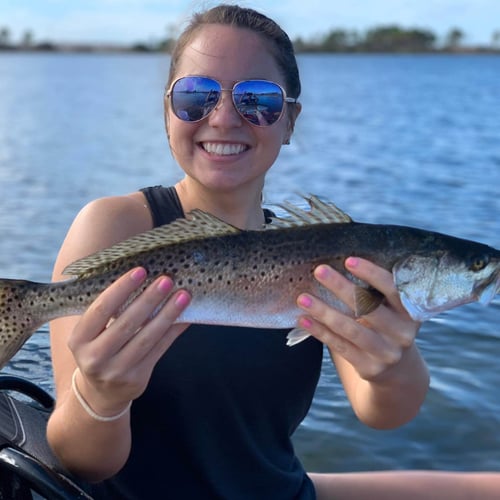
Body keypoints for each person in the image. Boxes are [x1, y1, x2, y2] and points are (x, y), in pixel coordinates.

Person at [45, 4, 497, 499]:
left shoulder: (326, 251)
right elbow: (80, 460)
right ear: (167, 110)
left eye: (257, 99)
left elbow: (381, 411)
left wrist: (393, 361)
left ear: (290, 120)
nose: (223, 118)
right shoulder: (113, 224)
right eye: (196, 96)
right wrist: (101, 396)